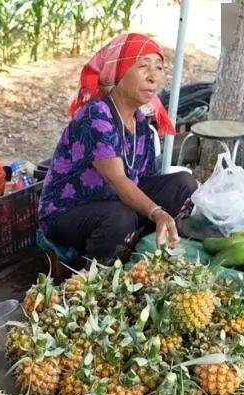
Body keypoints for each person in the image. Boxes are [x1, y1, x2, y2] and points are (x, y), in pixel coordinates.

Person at [38, 33, 199, 264]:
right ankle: (90, 277)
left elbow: (146, 180)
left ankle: (144, 249)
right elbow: (117, 180)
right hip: (70, 213)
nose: (153, 77)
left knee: (183, 184)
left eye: (159, 68)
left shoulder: (140, 123)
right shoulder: (97, 115)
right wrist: (157, 212)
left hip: (115, 203)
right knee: (120, 217)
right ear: (120, 72)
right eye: (143, 66)